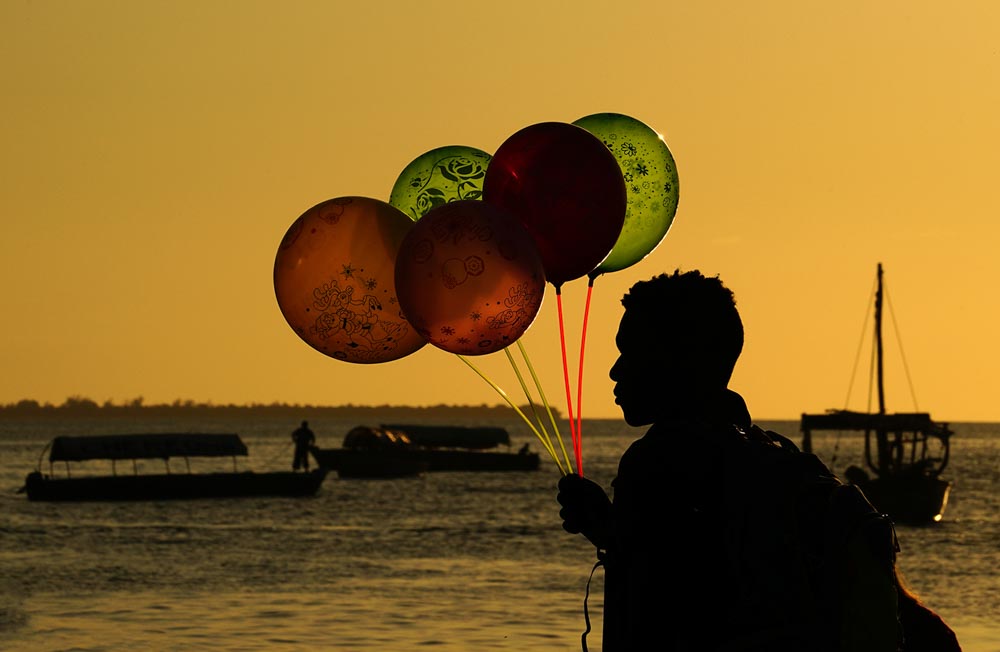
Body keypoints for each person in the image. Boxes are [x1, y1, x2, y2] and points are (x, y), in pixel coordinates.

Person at [557, 270, 903, 651]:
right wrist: (609, 529)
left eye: (632, 352)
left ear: (679, 361)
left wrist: (612, 532)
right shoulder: (777, 452)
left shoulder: (656, 461)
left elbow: (658, 606)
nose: (615, 370)